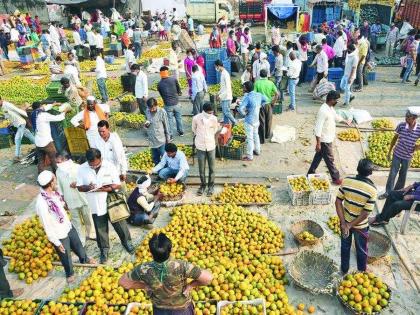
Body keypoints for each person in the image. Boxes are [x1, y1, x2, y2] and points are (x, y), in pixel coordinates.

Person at [119, 232, 213, 314]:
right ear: (170, 250)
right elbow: (208, 278)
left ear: (151, 252)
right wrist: (191, 285)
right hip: (181, 309)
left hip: (160, 310)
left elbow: (123, 282)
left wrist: (144, 286)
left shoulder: (143, 269)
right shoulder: (182, 266)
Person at [36, 170, 95, 283]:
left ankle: (84, 259)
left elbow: (60, 206)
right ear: (51, 183)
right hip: (58, 233)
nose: (56, 181)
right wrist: (56, 242)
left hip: (67, 225)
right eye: (55, 179)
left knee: (77, 244)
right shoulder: (42, 203)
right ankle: (69, 273)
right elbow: (46, 225)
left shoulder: (53, 193)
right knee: (65, 254)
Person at [77, 148, 134, 264]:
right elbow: (79, 187)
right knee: (100, 228)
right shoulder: (82, 169)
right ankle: (104, 250)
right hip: (95, 203)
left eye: (96, 164)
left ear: (100, 159)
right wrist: (88, 187)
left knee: (120, 223)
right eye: (91, 165)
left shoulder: (109, 166)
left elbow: (117, 184)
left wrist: (108, 188)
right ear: (87, 161)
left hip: (110, 201)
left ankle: (127, 242)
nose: (93, 167)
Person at [336, 159, 377, 274]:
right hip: (360, 227)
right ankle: (361, 272)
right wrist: (350, 225)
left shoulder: (346, 181)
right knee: (361, 249)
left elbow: (338, 202)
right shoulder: (372, 190)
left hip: (345, 223)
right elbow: (365, 213)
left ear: (357, 169)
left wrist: (345, 223)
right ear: (370, 173)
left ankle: (344, 270)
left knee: (345, 247)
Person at [308, 91, 349, 184]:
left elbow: (336, 116)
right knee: (330, 159)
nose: (337, 102)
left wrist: (344, 121)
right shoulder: (323, 111)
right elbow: (318, 128)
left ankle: (310, 173)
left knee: (318, 156)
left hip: (329, 137)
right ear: (331, 100)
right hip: (324, 140)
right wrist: (318, 143)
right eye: (336, 100)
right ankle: (336, 178)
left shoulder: (330, 108)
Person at [55, 152, 96, 247]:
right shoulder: (58, 172)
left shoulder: (78, 168)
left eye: (59, 161)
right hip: (70, 199)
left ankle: (92, 234)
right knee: (76, 221)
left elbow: (88, 182)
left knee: (88, 217)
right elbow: (60, 188)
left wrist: (77, 184)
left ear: (66, 159)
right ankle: (81, 240)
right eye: (56, 162)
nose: (57, 164)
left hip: (82, 197)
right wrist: (62, 200)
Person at [379, 111, 420, 199]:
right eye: (406, 117)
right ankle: (388, 193)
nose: (406, 119)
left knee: (403, 176)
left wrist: (417, 147)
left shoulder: (419, 128)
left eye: (408, 118)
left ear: (414, 118)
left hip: (408, 157)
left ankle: (397, 193)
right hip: (397, 154)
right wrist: (389, 152)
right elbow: (395, 138)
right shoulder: (401, 125)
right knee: (392, 174)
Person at [31, 102, 66, 173]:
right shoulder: (43, 115)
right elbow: (58, 118)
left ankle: (40, 175)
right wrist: (65, 112)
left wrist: (54, 104)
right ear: (40, 106)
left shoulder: (33, 114)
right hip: (46, 142)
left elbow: (45, 108)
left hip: (38, 142)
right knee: (53, 158)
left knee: (41, 160)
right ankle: (56, 174)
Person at [192, 102, 218, 196]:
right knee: (201, 169)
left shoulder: (214, 119)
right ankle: (203, 185)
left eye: (212, 112)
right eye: (209, 112)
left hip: (211, 145)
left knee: (212, 168)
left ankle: (211, 186)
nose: (211, 114)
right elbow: (194, 129)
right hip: (200, 146)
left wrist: (209, 136)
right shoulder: (196, 118)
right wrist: (201, 136)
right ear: (205, 111)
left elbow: (215, 129)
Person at [238, 81, 267, 161]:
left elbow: (240, 108)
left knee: (249, 138)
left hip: (249, 121)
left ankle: (249, 156)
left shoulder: (247, 97)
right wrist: (260, 106)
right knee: (256, 135)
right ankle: (257, 150)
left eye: (244, 87)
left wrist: (244, 113)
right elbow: (266, 100)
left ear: (246, 88)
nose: (243, 88)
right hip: (256, 120)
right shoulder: (259, 95)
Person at [0, 98, 34, 162]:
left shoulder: (7, 105)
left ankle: (17, 156)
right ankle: (40, 146)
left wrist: (26, 115)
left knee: (17, 139)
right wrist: (11, 122)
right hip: (18, 123)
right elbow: (9, 115)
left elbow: (17, 110)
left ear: (1, 100)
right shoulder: (3, 107)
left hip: (20, 123)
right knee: (29, 135)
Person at [157, 66, 183, 137]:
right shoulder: (173, 79)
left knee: (169, 121)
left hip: (167, 105)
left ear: (160, 73)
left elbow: (162, 95)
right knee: (179, 118)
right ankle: (181, 132)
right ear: (167, 72)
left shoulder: (159, 84)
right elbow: (179, 90)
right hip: (176, 103)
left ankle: (170, 135)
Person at [254, 69, 278, 141]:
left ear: (260, 75)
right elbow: (277, 94)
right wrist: (273, 102)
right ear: (267, 75)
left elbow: (255, 95)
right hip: (269, 104)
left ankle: (262, 139)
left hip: (260, 105)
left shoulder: (257, 83)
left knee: (261, 121)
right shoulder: (270, 83)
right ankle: (267, 135)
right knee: (269, 120)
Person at [144, 98, 171, 165]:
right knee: (155, 158)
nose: (151, 110)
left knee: (165, 158)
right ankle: (159, 172)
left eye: (153, 108)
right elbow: (147, 121)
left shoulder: (162, 112)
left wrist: (168, 139)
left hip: (161, 140)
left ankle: (167, 173)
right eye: (150, 108)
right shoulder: (147, 111)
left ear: (156, 105)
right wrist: (146, 125)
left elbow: (166, 126)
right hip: (152, 140)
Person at [215, 59, 236, 125]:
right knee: (224, 112)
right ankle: (226, 124)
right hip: (224, 96)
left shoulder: (225, 74)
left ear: (218, 66)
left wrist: (220, 96)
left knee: (226, 112)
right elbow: (223, 87)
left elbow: (227, 88)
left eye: (216, 67)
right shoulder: (222, 73)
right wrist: (218, 93)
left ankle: (234, 122)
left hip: (227, 96)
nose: (216, 68)